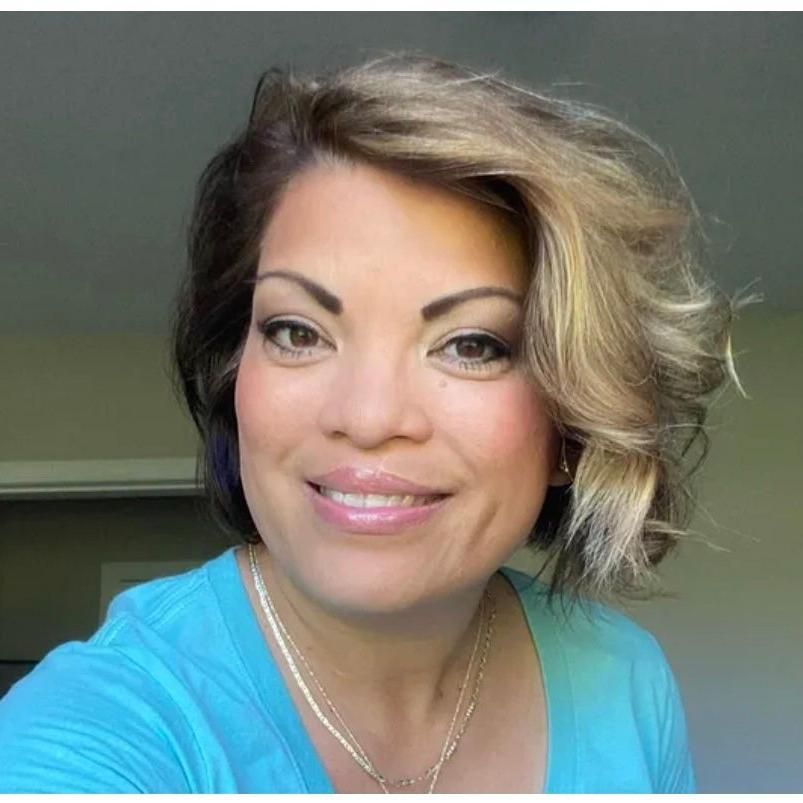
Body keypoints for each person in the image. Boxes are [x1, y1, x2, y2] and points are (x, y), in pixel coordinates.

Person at [0, 52, 748, 793]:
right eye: (298, 331)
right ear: (235, 377)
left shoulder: (624, 684)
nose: (366, 417)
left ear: (575, 424)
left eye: (470, 345)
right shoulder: (105, 725)